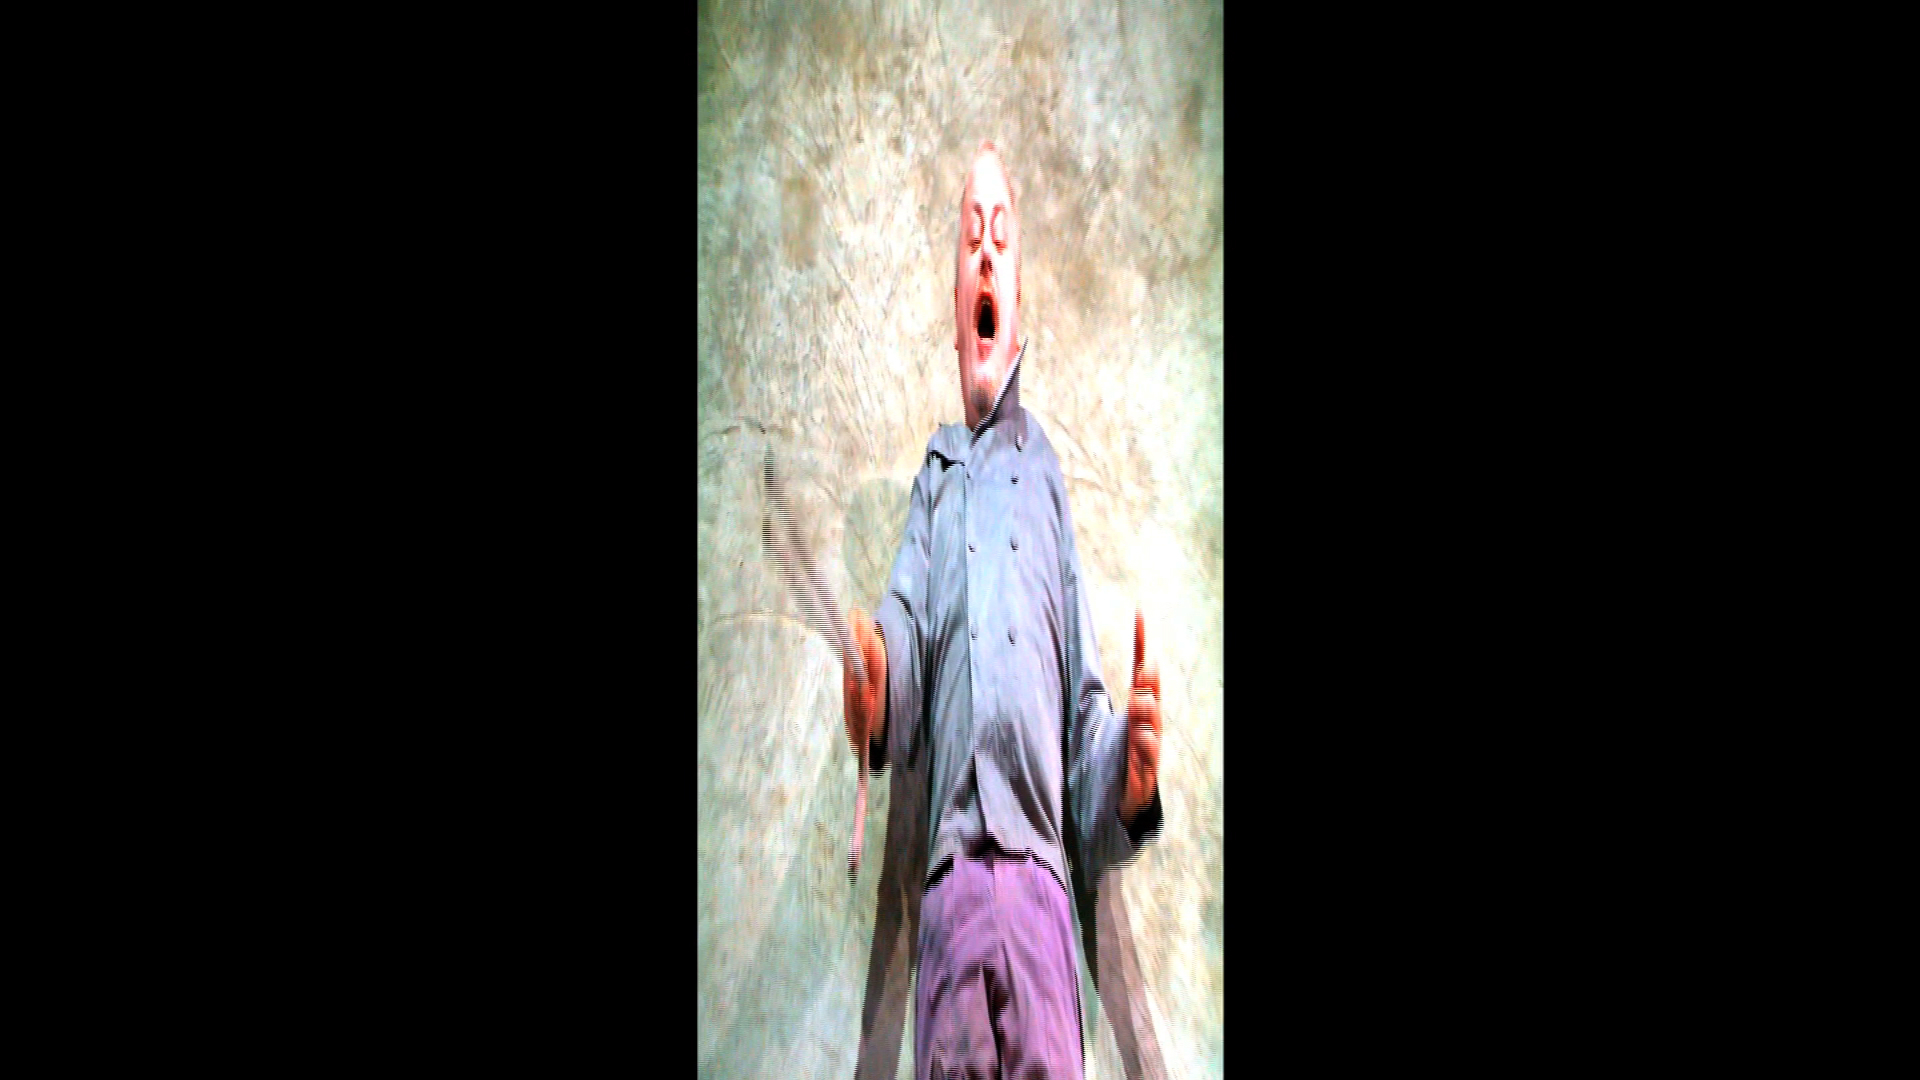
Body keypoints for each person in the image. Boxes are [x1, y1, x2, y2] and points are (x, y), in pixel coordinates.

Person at [842, 140, 1164, 1079]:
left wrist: (1127, 778)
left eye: (1001, 238)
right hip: (946, 900)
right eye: (969, 240)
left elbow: (1083, 714)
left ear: (1017, 303)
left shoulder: (1047, 477)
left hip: (1041, 901)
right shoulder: (934, 479)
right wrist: (876, 686)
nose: (984, 252)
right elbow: (901, 631)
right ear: (960, 316)